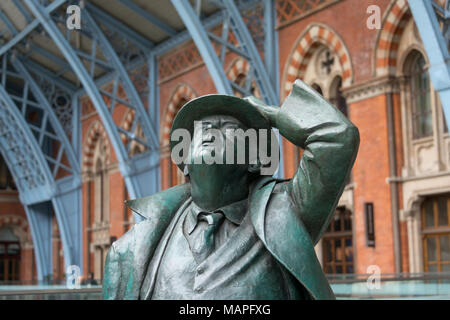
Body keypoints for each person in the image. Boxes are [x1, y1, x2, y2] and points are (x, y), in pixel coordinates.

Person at [103, 79, 359, 300]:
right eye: (202, 129)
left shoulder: (286, 210)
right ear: (185, 164)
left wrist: (272, 115)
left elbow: (338, 137)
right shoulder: (130, 251)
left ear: (255, 160)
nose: (211, 130)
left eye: (229, 128)